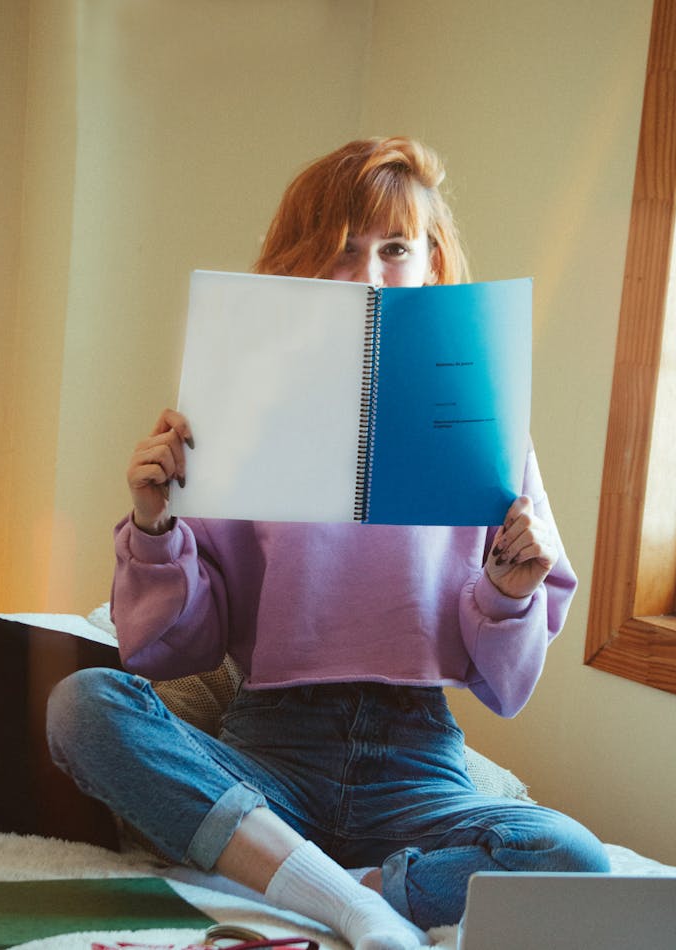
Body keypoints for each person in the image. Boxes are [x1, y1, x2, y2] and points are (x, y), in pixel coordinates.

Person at [47, 137, 610, 948]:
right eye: (342, 252)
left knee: (572, 855)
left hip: (419, 764)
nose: (370, 275)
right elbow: (170, 646)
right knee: (83, 706)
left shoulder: (482, 422)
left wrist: (509, 592)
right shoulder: (234, 407)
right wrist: (154, 523)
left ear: (431, 262)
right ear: (300, 263)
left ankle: (330, 885)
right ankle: (349, 905)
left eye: (394, 249)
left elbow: (507, 687)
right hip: (271, 749)